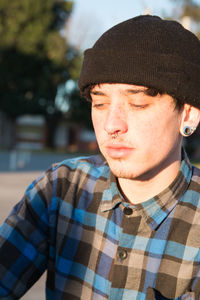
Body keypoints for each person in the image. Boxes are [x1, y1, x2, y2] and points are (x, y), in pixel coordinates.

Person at [1, 14, 200, 300]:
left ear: (189, 113)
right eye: (100, 103)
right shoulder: (62, 188)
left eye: (138, 104)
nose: (111, 125)